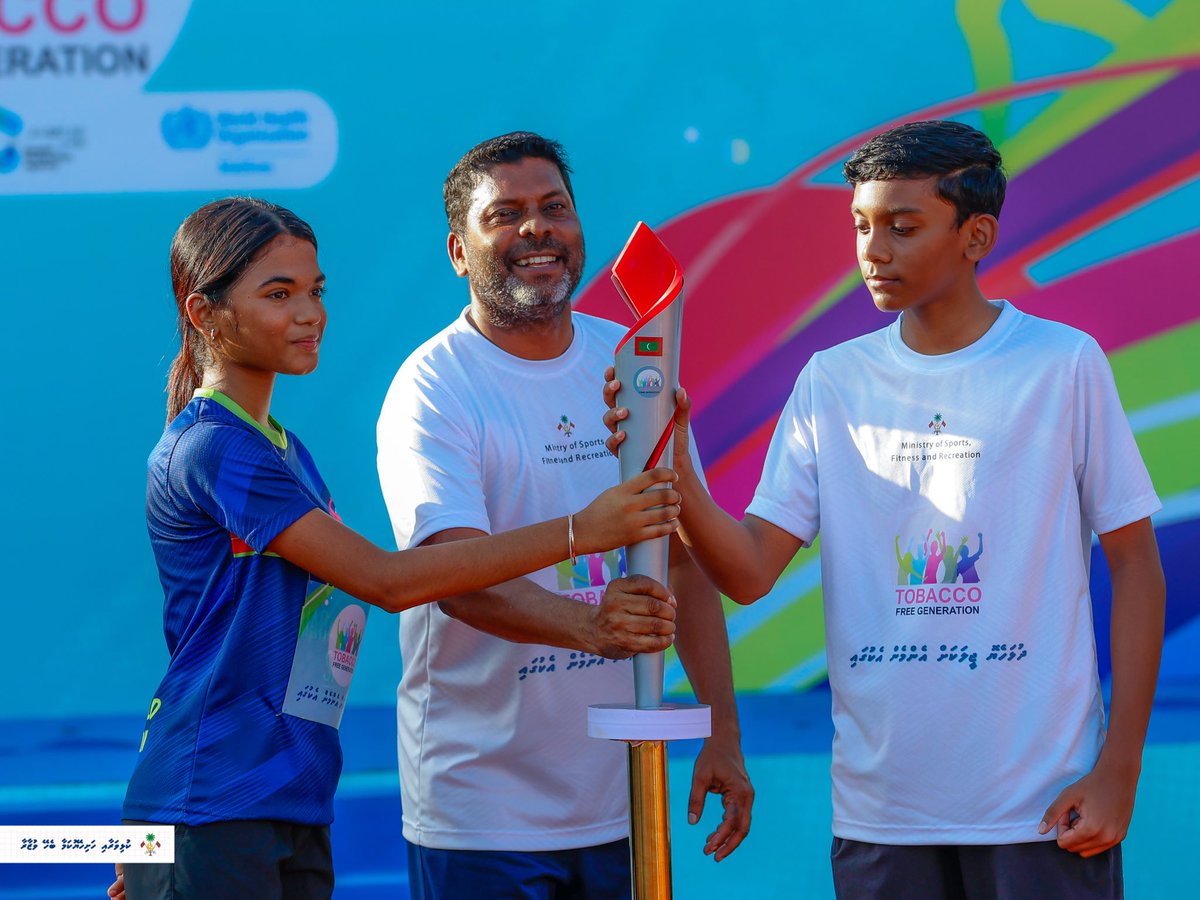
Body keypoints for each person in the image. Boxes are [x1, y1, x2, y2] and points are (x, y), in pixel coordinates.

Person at [606, 120, 1165, 898]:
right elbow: (748, 571)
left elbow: (1135, 563)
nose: (874, 250)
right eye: (862, 226)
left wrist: (1120, 770)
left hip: (1042, 811)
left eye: (903, 228)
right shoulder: (831, 382)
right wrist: (676, 467)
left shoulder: (1062, 365)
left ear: (976, 236)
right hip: (881, 816)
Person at [108, 197, 682, 900]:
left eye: (316, 290)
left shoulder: (285, 452)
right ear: (203, 313)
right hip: (212, 800)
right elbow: (388, 581)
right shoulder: (214, 448)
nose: (310, 313)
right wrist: (579, 532)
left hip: (288, 797)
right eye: (279, 294)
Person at [376, 132, 753, 899]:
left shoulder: (635, 364)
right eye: (504, 215)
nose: (536, 229)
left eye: (555, 208)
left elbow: (682, 559)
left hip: (621, 796)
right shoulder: (433, 387)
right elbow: (454, 580)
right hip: (483, 808)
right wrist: (591, 627)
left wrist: (722, 729)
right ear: (458, 251)